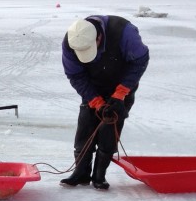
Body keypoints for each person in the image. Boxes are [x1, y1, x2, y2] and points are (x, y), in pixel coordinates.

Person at [61, 15, 150, 190]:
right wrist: (95, 100)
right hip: (92, 86)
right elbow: (75, 75)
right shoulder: (72, 40)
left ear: (98, 38)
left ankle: (99, 174)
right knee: (86, 125)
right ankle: (81, 172)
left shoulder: (124, 33)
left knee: (110, 127)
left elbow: (140, 60)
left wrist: (121, 93)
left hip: (122, 85)